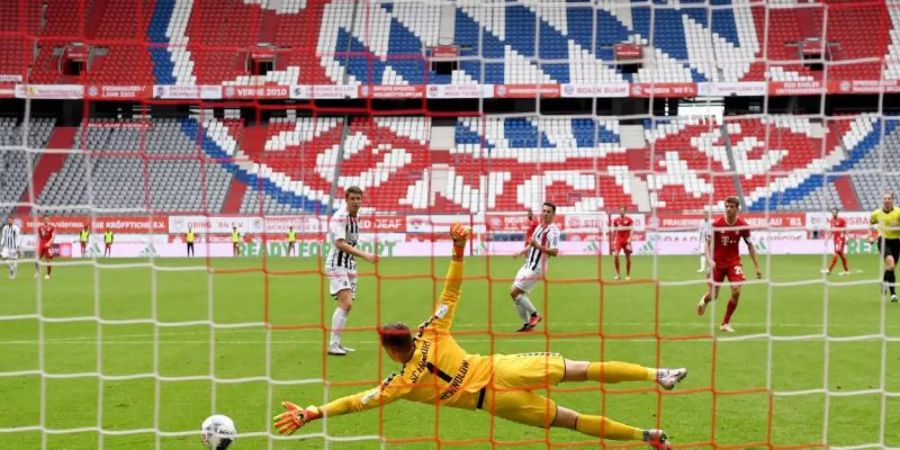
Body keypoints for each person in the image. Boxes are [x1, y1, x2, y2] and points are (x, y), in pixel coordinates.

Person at [273, 224, 685, 450]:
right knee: (581, 370)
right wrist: (457, 251)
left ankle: (646, 438)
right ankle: (658, 373)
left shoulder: (398, 384)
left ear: (388, 349)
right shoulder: (431, 331)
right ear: (407, 336)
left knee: (571, 422)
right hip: (501, 368)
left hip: (495, 403)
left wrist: (313, 412)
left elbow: (355, 402)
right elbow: (451, 291)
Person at [325, 186, 379, 355]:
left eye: (359, 199)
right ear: (346, 199)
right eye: (353, 199)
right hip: (336, 264)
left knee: (347, 306)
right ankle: (332, 345)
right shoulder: (340, 217)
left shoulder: (357, 217)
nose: (356, 202)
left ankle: (337, 344)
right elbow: (339, 243)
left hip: (350, 265)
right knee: (346, 303)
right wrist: (364, 255)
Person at [696, 197, 762, 333]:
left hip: (734, 262)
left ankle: (725, 323)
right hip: (717, 264)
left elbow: (750, 245)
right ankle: (704, 300)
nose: (728, 209)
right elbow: (707, 244)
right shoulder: (717, 224)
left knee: (737, 290)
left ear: (737, 209)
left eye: (731, 206)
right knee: (713, 295)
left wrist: (757, 267)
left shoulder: (742, 225)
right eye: (726, 206)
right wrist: (710, 260)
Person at [510, 202, 559, 332]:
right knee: (516, 295)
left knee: (514, 292)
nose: (546, 214)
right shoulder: (539, 226)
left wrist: (537, 246)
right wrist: (521, 252)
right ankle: (527, 325)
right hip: (528, 264)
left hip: (537, 268)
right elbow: (532, 243)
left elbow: (554, 252)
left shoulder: (553, 232)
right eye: (544, 211)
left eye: (549, 212)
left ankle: (535, 314)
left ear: (553, 214)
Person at [869, 193, 900, 302]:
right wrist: (871, 236)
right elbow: (870, 223)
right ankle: (894, 294)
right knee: (891, 265)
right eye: (885, 198)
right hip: (883, 241)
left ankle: (884, 283)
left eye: (889, 198)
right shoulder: (877, 213)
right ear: (883, 200)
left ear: (892, 200)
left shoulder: (898, 212)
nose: (887, 200)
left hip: (896, 242)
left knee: (891, 268)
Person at [821, 207, 849, 276]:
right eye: (833, 212)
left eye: (835, 212)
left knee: (836, 253)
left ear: (837, 212)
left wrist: (847, 238)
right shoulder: (831, 220)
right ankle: (846, 271)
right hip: (835, 239)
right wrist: (827, 238)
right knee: (841, 255)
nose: (834, 213)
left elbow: (846, 229)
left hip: (841, 238)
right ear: (832, 213)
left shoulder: (842, 220)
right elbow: (832, 231)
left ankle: (829, 270)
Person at [610, 206, 633, 280]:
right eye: (620, 210)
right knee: (616, 255)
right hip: (619, 240)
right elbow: (614, 230)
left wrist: (630, 238)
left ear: (625, 211)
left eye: (623, 210)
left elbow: (632, 229)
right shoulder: (616, 220)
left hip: (626, 240)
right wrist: (613, 239)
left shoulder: (629, 220)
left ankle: (628, 275)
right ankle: (618, 274)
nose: (621, 212)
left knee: (628, 258)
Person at [36, 214, 54, 280]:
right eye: (45, 219)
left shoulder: (52, 227)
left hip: (48, 244)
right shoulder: (40, 227)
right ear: (43, 220)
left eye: (47, 219)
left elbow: (53, 236)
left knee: (48, 260)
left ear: (48, 219)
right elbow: (39, 236)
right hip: (41, 244)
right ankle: (37, 272)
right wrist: (37, 243)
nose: (46, 220)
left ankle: (48, 274)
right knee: (37, 258)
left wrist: (49, 243)